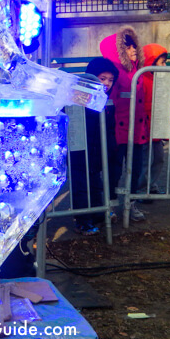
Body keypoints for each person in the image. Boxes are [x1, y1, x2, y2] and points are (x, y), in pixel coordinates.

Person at [99, 27, 148, 222]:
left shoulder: (139, 69)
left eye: (134, 45)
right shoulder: (114, 73)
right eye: (128, 47)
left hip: (136, 129)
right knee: (115, 169)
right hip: (117, 130)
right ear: (118, 50)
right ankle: (110, 204)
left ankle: (131, 203)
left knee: (135, 169)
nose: (133, 49)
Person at [70, 57, 119, 235]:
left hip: (98, 151)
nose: (106, 83)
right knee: (81, 187)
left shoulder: (106, 101)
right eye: (102, 78)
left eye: (110, 79)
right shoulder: (78, 98)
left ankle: (97, 213)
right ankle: (82, 220)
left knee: (96, 184)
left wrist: (111, 148)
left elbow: (109, 129)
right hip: (79, 152)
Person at [139, 44, 169, 194]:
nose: (164, 65)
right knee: (145, 161)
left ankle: (151, 185)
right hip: (144, 127)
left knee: (158, 158)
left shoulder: (161, 79)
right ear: (151, 61)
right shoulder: (142, 79)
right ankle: (142, 189)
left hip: (157, 126)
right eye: (161, 62)